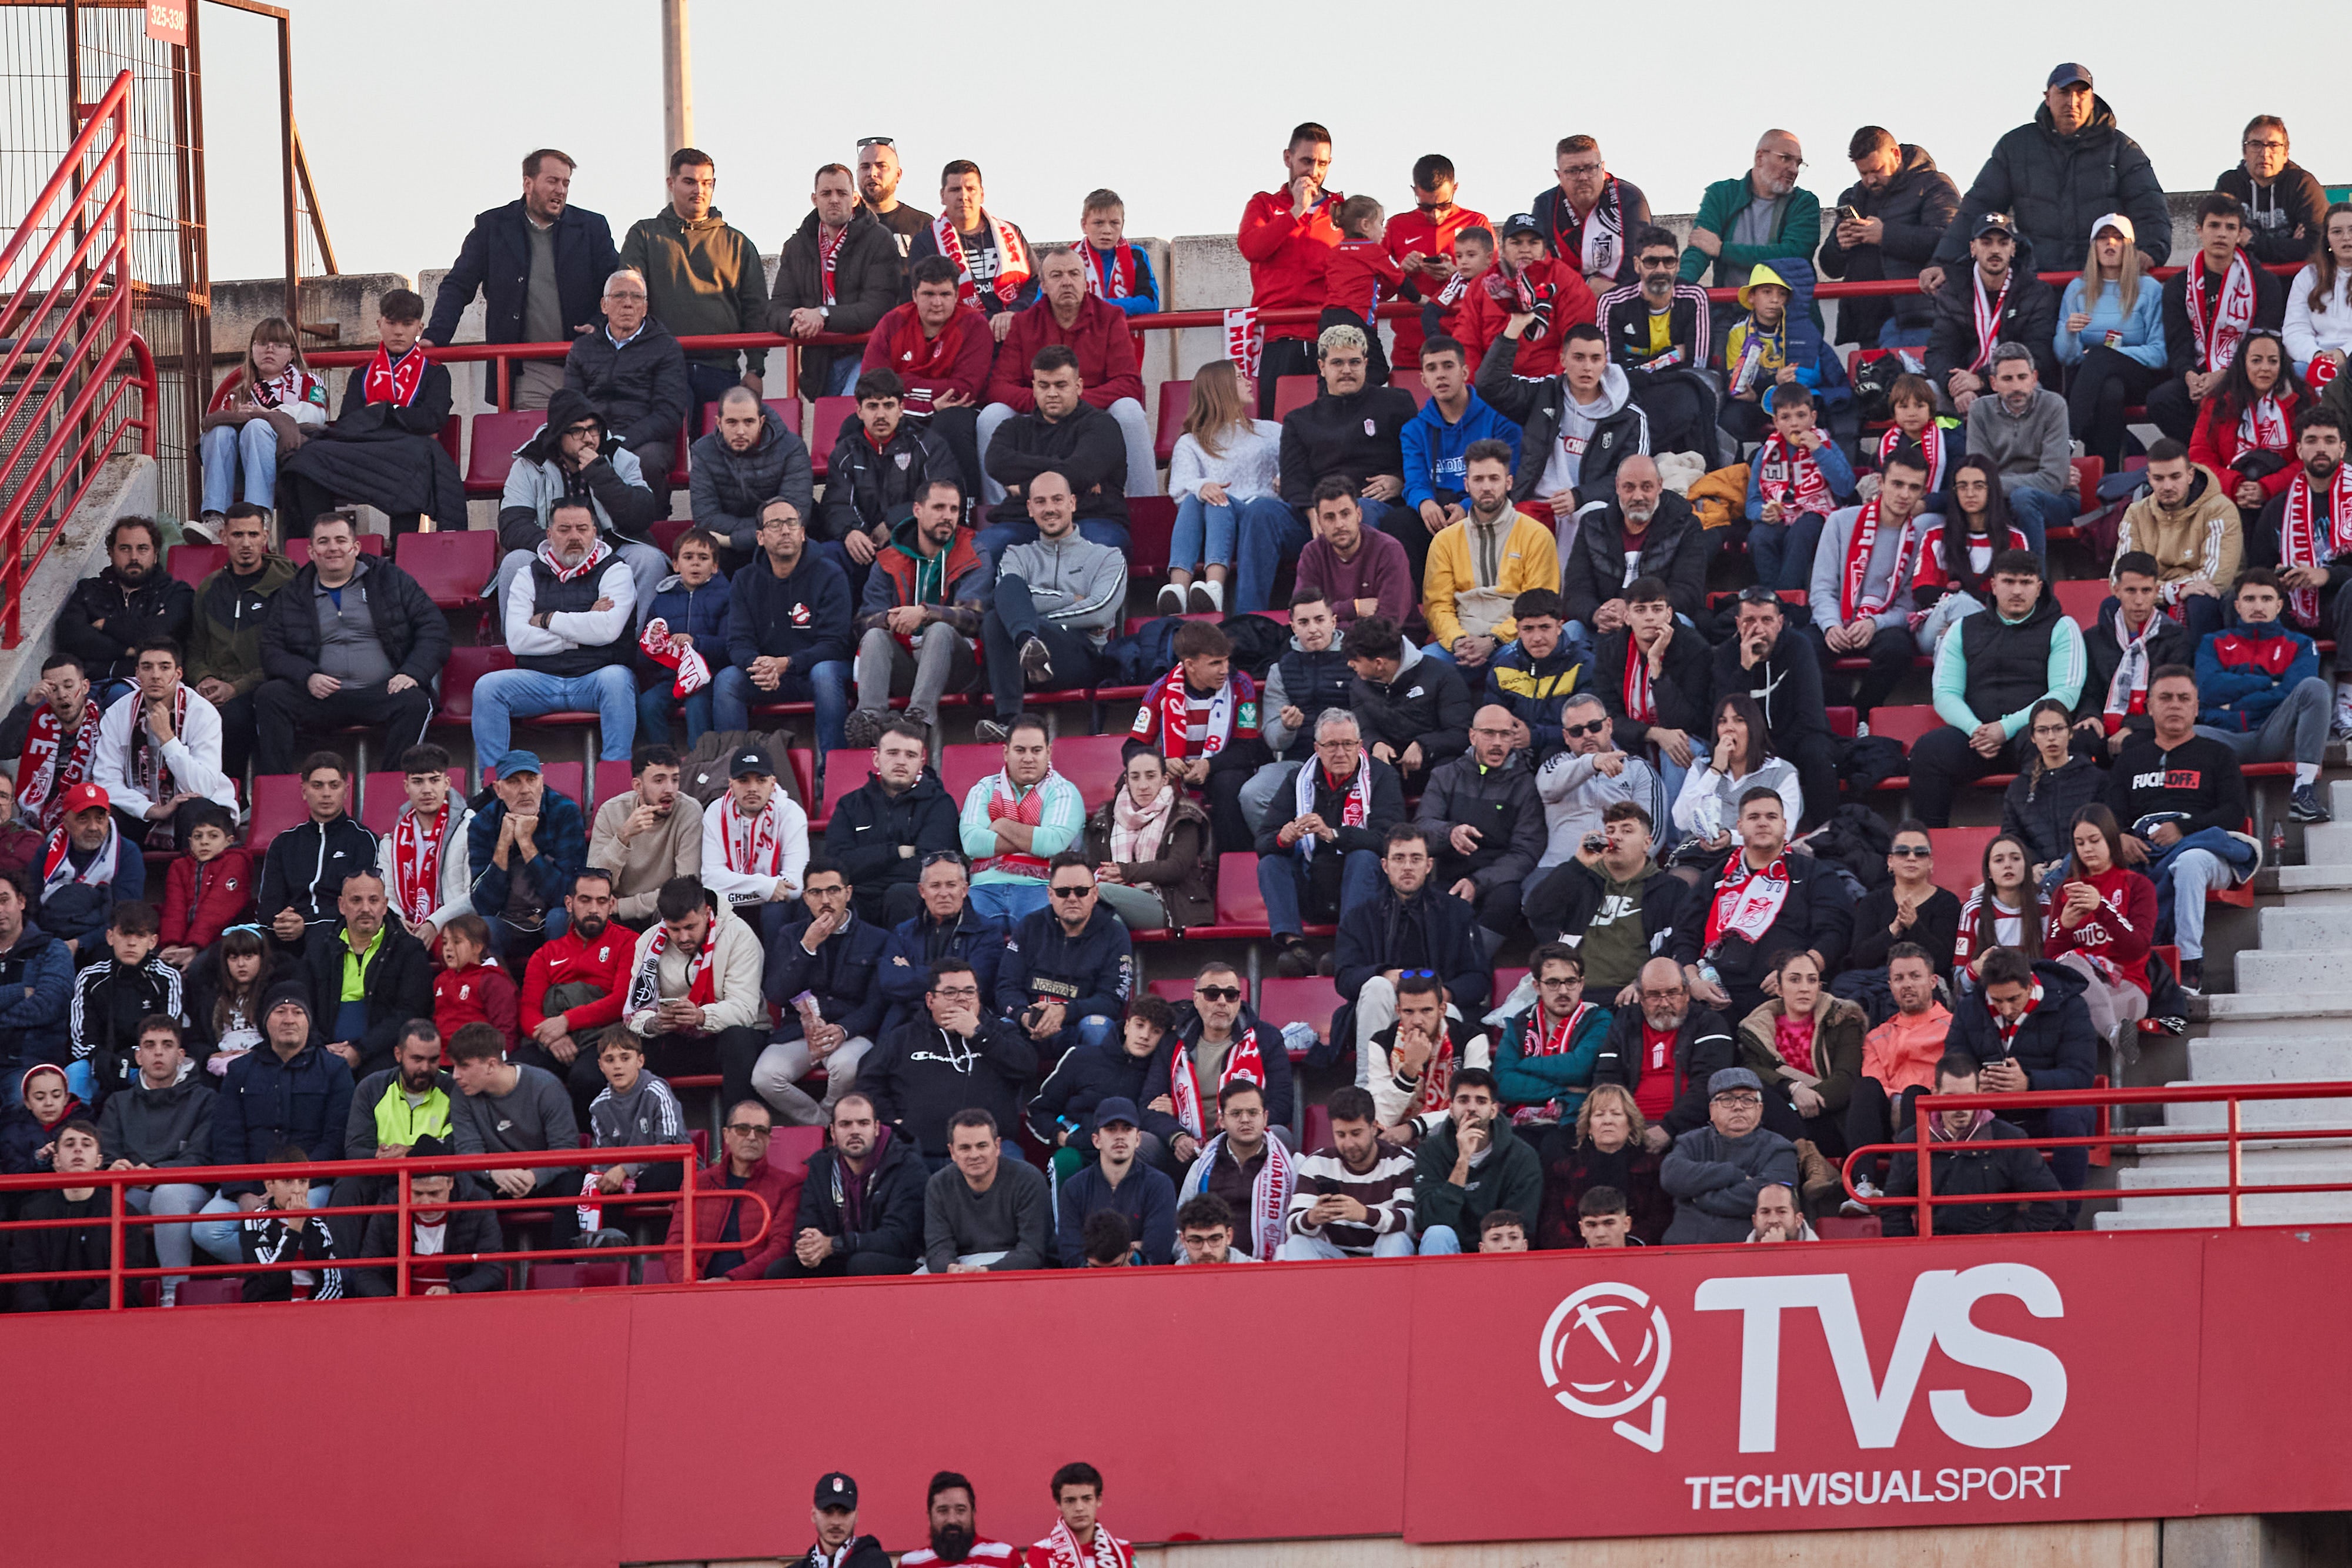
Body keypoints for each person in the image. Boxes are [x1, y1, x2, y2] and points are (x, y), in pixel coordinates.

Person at [1924, 63, 2170, 286]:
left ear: (2092, 100)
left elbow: (2149, 207)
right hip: (2038, 285)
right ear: (2047, 97)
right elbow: (1977, 208)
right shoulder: (2016, 147)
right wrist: (1943, 262)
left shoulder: (2122, 149)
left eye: (2081, 94)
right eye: (2064, 93)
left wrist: (2149, 252)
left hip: (2103, 285)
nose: (2072, 101)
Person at [251, 510, 447, 774]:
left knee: (415, 702)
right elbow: (271, 649)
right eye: (323, 542)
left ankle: (390, 789)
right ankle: (277, 792)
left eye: (341, 540)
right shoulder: (292, 593)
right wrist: (307, 676)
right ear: (311, 551)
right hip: (320, 696)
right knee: (270, 696)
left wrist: (412, 672)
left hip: (381, 691)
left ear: (355, 547)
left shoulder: (390, 579)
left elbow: (434, 628)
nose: (333, 548)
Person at [425, 148, 620, 409]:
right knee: (535, 446)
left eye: (566, 183)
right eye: (552, 181)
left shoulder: (592, 227)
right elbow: (458, 285)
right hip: (525, 368)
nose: (561, 190)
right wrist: (435, 337)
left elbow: (616, 286)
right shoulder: (493, 226)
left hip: (587, 365)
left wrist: (599, 323)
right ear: (528, 183)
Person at [1911, 550, 2087, 827]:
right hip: (1976, 738)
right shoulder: (1962, 628)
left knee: (2050, 743)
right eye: (2009, 582)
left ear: (2039, 587)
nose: (2017, 590)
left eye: (2026, 582)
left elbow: (2064, 695)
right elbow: (1945, 693)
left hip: (2030, 736)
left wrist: (2005, 729)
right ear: (1993, 585)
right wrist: (1976, 730)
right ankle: (1930, 844)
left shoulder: (2063, 627)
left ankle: (2044, 849)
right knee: (1928, 751)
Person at [278, 291, 467, 535]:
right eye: (391, 323)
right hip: (366, 450)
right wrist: (400, 416)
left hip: (406, 452)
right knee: (306, 458)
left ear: (419, 327)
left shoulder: (435, 372)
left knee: (411, 462)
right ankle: (322, 538)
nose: (398, 331)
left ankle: (404, 553)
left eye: (407, 324)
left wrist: (384, 411)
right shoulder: (362, 373)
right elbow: (348, 422)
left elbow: (433, 419)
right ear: (380, 324)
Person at [190, 985, 353, 1264]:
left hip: (310, 1186)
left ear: (308, 1020)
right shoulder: (241, 1070)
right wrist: (242, 1193)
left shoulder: (334, 1069)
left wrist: (294, 1186)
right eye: (280, 1011)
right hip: (253, 1186)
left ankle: (282, 1278)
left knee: (307, 1223)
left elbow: (336, 1137)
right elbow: (227, 1136)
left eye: (297, 1012)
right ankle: (279, 1274)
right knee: (207, 1230)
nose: (289, 1019)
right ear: (266, 1020)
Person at [975, 247, 1152, 503]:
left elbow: (1128, 383)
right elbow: (1000, 386)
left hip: (1093, 415)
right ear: (1043, 286)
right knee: (990, 416)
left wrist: (1074, 402)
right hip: (1038, 414)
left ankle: (1144, 505)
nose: (1067, 282)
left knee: (1130, 411)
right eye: (1057, 275)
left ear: (1085, 281)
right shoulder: (1024, 323)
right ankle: (998, 509)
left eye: (1074, 274)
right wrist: (1047, 401)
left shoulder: (1110, 318)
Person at [1675, 788, 1854, 1026]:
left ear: (1784, 824)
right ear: (1739, 826)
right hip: (1715, 995)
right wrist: (1694, 982)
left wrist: (1797, 974)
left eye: (1771, 817)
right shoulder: (1715, 877)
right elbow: (1685, 934)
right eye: (1753, 817)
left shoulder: (1814, 873)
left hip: (1783, 996)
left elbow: (1835, 933)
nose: (1762, 824)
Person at [1945, 945, 2100, 1216]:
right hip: (1994, 1113)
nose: (2006, 1008)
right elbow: (1953, 1062)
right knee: (1951, 1117)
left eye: (2013, 999)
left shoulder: (2071, 1005)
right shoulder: (1970, 1008)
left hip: (2049, 1112)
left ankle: (2064, 1220)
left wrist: (2029, 1082)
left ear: (2030, 985)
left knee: (2071, 1116)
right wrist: (1973, 1082)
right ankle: (1977, 1222)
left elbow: (2081, 1074)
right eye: (1997, 1001)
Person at [974, 473, 1127, 736]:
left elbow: (1099, 610)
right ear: (1030, 509)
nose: (1050, 509)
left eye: (1057, 500)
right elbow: (1007, 598)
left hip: (1077, 655)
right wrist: (1071, 600)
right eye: (1041, 502)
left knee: (1002, 615)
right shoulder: (1016, 555)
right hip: (1020, 664)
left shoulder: (1107, 557)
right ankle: (1011, 718)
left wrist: (1028, 619)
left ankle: (1010, 716)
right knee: (1007, 593)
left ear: (1073, 503)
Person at [494, 389, 670, 616]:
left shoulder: (618, 457)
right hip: (551, 552)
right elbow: (512, 525)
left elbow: (642, 516)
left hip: (608, 550)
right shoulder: (529, 464)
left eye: (593, 429)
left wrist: (602, 475)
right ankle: (520, 644)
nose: (588, 439)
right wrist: (558, 545)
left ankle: (640, 646)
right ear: (558, 435)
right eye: (577, 431)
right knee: (515, 562)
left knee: (649, 560)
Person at [1258, 708, 1402, 977]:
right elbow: (1264, 840)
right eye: (1332, 745)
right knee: (1271, 861)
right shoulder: (1298, 781)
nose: (1340, 753)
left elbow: (1390, 841)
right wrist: (1283, 837)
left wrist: (1333, 834)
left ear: (1360, 745)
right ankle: (1296, 948)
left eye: (1348, 744)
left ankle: (1350, 948)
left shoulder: (1382, 777)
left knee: (1364, 856)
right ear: (1317, 748)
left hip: (1364, 890)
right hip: (1313, 887)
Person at [617, 147, 767, 406]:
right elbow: (628, 297)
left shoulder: (739, 244)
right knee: (665, 445)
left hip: (723, 371)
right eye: (689, 182)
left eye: (706, 183)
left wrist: (756, 370)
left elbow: (756, 310)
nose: (699, 190)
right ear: (671, 183)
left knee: (721, 446)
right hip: (660, 370)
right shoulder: (644, 235)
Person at [1333, 824, 1489, 1064]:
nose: (1407, 867)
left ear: (1429, 866)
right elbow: (1344, 979)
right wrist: (1385, 975)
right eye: (1399, 859)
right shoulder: (1359, 916)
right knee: (1376, 987)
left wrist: (1441, 994)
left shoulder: (1457, 912)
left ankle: (1443, 1095)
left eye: (1416, 859)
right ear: (1385, 866)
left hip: (1440, 1009)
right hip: (1383, 1010)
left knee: (1446, 1012)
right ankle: (1369, 1090)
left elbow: (1478, 979)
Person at [846, 480, 986, 744]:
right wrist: (888, 619)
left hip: (959, 667)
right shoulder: (888, 558)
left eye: (954, 509)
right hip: (906, 665)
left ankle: (918, 720)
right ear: (918, 510)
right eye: (939, 507)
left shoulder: (973, 552)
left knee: (940, 630)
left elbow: (977, 618)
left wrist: (925, 614)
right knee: (875, 638)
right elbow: (861, 624)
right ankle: (869, 722)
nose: (948, 516)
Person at [1277, 325, 1419, 585]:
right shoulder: (1299, 420)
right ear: (1322, 367)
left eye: (1354, 362)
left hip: (1375, 505)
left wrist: (1400, 480)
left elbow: (1419, 456)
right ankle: (1248, 614)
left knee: (1360, 511)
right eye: (1337, 363)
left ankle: (1366, 611)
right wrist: (1313, 513)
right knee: (1261, 514)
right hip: (1319, 512)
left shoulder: (1396, 403)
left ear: (1366, 363)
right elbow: (1293, 478)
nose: (1346, 370)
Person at [863, 959, 1038, 1168]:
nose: (961, 1000)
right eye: (950, 993)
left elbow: (1027, 1067)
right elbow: (868, 1083)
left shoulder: (1000, 1032)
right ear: (930, 1000)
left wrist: (979, 1034)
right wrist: (894, 1121)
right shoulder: (901, 1038)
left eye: (969, 992)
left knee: (1024, 1174)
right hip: (920, 1150)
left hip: (989, 1151)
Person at [753, 861, 888, 1126]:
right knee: (764, 1077)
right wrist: (807, 946)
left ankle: (831, 1117)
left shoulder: (877, 938)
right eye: (816, 893)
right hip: (801, 1032)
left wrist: (844, 1029)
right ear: (805, 897)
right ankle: (824, 1125)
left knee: (846, 1067)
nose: (825, 900)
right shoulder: (791, 935)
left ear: (848, 893)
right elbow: (776, 994)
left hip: (852, 1032)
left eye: (833, 891)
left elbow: (878, 1003)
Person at [1481, 321, 1649, 534]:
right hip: (1539, 504)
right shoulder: (1543, 394)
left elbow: (1632, 478)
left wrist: (1580, 496)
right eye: (1579, 358)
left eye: (1595, 359)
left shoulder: (1630, 418)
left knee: (1593, 516)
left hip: (1592, 506)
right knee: (1513, 527)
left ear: (1605, 362)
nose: (1587, 367)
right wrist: (1514, 327)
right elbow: (1490, 386)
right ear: (1563, 359)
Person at [714, 497, 852, 757]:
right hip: (769, 677)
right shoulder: (745, 579)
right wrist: (760, 665)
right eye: (775, 525)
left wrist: (788, 663)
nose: (786, 530)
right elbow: (737, 642)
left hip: (817, 671)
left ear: (803, 533)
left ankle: (832, 769)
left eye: (791, 523)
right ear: (760, 537)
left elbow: (836, 643)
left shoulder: (830, 574)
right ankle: (733, 770)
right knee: (728, 680)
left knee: (825, 674)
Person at [2150, 195, 2289, 444]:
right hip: (2200, 373)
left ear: (2240, 235)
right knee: (2161, 401)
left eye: (2230, 227)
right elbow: (2178, 343)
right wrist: (2189, 376)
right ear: (2199, 231)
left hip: (2247, 374)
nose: (2222, 234)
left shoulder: (2265, 283)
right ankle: (2200, 458)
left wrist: (2225, 375)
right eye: (2214, 226)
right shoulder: (2178, 286)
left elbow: (2264, 340)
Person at [1881, 1052, 2067, 1236]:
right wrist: (1913, 1253)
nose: (1960, 1107)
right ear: (1934, 1092)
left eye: (1968, 1096)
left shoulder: (2009, 1138)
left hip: (1997, 1257)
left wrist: (2009, 1240)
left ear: (1979, 1093)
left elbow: (2052, 1203)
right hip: (1935, 1254)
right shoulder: (1912, 1139)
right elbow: (1893, 1208)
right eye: (1950, 1097)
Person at [625, 877, 769, 1113]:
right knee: (634, 1048)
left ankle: (738, 1130)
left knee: (738, 1039)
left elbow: (745, 1010)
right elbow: (636, 1009)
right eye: (674, 929)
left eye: (690, 927)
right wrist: (653, 1023)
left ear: (707, 912)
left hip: (732, 1037)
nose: (683, 938)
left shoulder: (740, 936)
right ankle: (649, 1137)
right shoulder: (647, 943)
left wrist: (701, 1016)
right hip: (678, 1038)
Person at [2197, 569, 2333, 820]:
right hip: (2225, 736)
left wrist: (2234, 703)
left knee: (2316, 688)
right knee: (2179, 733)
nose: (2258, 606)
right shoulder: (2212, 642)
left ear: (2279, 605)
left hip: (2275, 734)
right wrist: (2266, 684)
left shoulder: (2301, 645)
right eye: (2250, 599)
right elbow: (2207, 690)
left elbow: (2292, 692)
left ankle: (2303, 791)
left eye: (2266, 599)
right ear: (2237, 606)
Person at [1125, 619, 1267, 855]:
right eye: (1215, 663)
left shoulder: (1240, 684)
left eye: (1226, 660)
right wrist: (1161, 765)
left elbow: (1248, 749)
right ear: (1190, 665)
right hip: (1177, 772)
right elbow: (1132, 749)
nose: (1225, 669)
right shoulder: (1160, 690)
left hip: (1222, 769)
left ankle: (1232, 865)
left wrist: (1209, 765)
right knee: (1137, 780)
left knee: (1228, 783)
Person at [93, 1017, 211, 1301]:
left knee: (167, 1197)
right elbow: (106, 1151)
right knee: (102, 1205)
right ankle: (106, 1297)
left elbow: (202, 1156)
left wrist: (157, 1172)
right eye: (150, 1045)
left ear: (181, 1055)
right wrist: (114, 1166)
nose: (158, 1052)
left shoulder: (206, 1099)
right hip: (132, 1187)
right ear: (138, 1055)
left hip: (185, 1187)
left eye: (167, 1045)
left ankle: (173, 1296)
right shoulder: (117, 1103)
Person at [1415, 705, 1544, 959]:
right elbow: (1421, 827)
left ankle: (1471, 965)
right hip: (1450, 869)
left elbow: (1526, 851)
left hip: (1497, 877)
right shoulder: (1445, 776)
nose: (1497, 743)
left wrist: (1478, 883)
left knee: (1507, 897)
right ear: (1472, 736)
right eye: (1489, 733)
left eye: (1505, 735)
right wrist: (1450, 832)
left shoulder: (1527, 785)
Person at [1807, 438, 1925, 715]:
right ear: (1881, 483)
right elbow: (1822, 588)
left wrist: (1876, 623)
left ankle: (1862, 712)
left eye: (1914, 488)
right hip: (1836, 617)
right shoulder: (1841, 521)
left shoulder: (1921, 537)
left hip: (1879, 625)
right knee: (1801, 649)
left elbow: (1910, 605)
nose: (1904, 494)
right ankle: (1838, 711)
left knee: (1898, 650)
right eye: (1897, 484)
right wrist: (1831, 626)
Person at [858, 256, 994, 499]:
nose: (937, 303)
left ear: (956, 296)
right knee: (853, 425)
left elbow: (964, 390)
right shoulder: (892, 323)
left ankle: (966, 506)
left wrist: (903, 383)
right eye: (928, 294)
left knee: (951, 422)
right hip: (903, 410)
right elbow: (871, 385)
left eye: (944, 294)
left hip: (955, 412)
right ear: (914, 295)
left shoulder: (974, 324)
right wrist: (928, 405)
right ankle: (867, 510)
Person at [1733, 948, 1863, 1200]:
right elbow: (1751, 1071)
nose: (1805, 988)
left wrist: (1805, 1098)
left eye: (1812, 980)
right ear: (1779, 988)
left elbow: (1845, 1082)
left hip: (1830, 1119)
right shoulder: (1757, 1028)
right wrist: (1794, 1089)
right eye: (1795, 979)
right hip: (1780, 1123)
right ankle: (1810, 1161)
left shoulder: (1843, 1019)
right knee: (1757, 1093)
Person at [88, 639, 236, 854]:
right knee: (103, 815)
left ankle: (193, 884)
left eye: (165, 667)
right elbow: (106, 781)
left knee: (197, 810)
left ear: (178, 674)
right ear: (137, 674)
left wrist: (168, 739)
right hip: (141, 810)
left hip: (193, 809)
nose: (156, 675)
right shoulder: (118, 713)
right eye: (147, 667)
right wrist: (151, 810)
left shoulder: (203, 713)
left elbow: (203, 786)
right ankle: (109, 884)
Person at [2250, 410, 2352, 720]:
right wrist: (2278, 579)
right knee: (2239, 600)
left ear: (2342, 449)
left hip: (2342, 607)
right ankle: (2255, 699)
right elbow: (2257, 572)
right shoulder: (2278, 507)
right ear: (2299, 450)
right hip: (2294, 608)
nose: (2321, 448)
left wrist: (2327, 575)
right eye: (2312, 440)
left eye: (2329, 441)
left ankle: (2347, 698)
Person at [1710, 589, 1839, 832]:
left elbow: (1812, 719)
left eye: (1767, 620)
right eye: (1749, 621)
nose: (1758, 629)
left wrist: (1771, 758)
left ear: (1780, 623)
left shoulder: (1799, 647)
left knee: (1817, 751)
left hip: (1794, 739)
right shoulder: (1726, 655)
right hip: (1748, 747)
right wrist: (1745, 670)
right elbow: (1723, 720)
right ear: (1738, 624)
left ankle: (1826, 833)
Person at [1818, 127, 1959, 349]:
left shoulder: (1934, 185)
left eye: (1877, 170)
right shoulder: (1852, 197)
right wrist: (1839, 244)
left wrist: (1885, 235)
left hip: (1919, 320)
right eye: (1863, 173)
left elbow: (1950, 241)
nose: (1870, 180)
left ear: (1896, 155)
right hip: (1867, 326)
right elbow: (1830, 268)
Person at [1422, 442, 1558, 674]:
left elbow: (1540, 603)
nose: (1486, 487)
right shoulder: (1445, 541)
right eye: (1478, 480)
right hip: (1462, 643)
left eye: (1494, 479)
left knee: (1518, 660)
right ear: (1466, 484)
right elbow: (1437, 606)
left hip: (1514, 641)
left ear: (1509, 482)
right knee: (1423, 666)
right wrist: (1457, 641)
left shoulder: (1536, 535)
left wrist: (1494, 640)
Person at [560, 269, 691, 510]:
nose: (628, 304)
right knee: (550, 456)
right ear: (604, 305)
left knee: (647, 461)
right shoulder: (583, 348)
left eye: (636, 297)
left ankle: (649, 531)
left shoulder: (666, 348)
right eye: (619, 296)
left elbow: (669, 414)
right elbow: (572, 406)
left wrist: (619, 444)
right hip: (592, 435)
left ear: (645, 307)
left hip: (645, 439)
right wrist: (593, 440)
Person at [1164, 359, 1287, 613]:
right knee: (1203, 498)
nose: (1248, 381)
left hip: (1259, 520)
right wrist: (1203, 486)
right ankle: (1178, 591)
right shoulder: (1191, 442)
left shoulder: (1271, 431)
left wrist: (1284, 476)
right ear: (1221, 388)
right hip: (1214, 523)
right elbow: (1179, 489)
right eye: (1239, 377)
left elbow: (1294, 461)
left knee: (1217, 499)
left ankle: (1214, 588)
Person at [1238, 122, 1344, 415]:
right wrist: (1296, 211)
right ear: (1288, 158)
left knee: (1334, 427)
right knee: (1276, 430)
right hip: (1277, 336)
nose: (1315, 171)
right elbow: (1252, 249)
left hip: (1329, 334)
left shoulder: (1343, 209)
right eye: (1307, 161)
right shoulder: (1264, 204)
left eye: (1323, 163)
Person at [771, 163, 902, 399]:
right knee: (831, 433)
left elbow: (877, 308)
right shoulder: (796, 246)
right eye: (826, 193)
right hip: (819, 364)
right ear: (814, 199)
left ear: (854, 199)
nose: (834, 200)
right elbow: (776, 308)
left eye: (841, 194)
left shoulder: (879, 240)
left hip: (866, 355)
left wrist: (822, 315)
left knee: (849, 416)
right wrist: (797, 321)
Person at [446, 1021, 583, 1243]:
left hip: (544, 1178)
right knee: (464, 1187)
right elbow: (467, 1151)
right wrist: (494, 1172)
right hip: (496, 1180)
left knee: (572, 1183)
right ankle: (483, 1270)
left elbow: (566, 1151)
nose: (455, 1076)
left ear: (491, 1065)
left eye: (463, 1067)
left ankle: (564, 1271)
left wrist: (534, 1176)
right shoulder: (462, 1096)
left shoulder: (547, 1087)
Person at [185, 503, 295, 780]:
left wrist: (236, 688)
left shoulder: (287, 586)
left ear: (265, 537)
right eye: (237, 535)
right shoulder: (209, 588)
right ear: (223, 537)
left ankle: (236, 799)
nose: (246, 544)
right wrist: (204, 678)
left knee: (234, 717)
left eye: (253, 535)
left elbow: (289, 653)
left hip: (264, 685)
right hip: (215, 688)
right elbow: (195, 649)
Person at [520, 870, 640, 1115]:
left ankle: (588, 1145)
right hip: (555, 1040)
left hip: (604, 1037)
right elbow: (528, 1011)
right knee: (519, 1071)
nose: (594, 908)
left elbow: (621, 1001)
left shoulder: (629, 942)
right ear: (569, 903)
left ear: (612, 904)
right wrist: (550, 1037)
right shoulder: (546, 954)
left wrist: (566, 1022)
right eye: (585, 900)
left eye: (602, 901)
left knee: (587, 1078)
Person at [196, 317, 328, 537]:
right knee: (219, 431)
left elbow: (316, 416)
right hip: (241, 467)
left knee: (257, 426)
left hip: (291, 462)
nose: (269, 350)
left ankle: (258, 517)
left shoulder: (309, 382)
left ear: (292, 352)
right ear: (252, 350)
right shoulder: (237, 391)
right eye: (262, 343)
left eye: (279, 345)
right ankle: (215, 518)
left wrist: (269, 414)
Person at [2057, 215, 2169, 470]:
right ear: (2093, 246)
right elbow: (2065, 356)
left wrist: (2112, 356)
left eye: (2118, 238)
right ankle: (2109, 477)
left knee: (2100, 357)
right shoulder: (2077, 289)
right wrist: (2069, 333)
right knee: (2110, 390)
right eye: (2103, 238)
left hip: (2139, 378)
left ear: (2130, 246)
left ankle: (2066, 439)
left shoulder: (2149, 289)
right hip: (2092, 381)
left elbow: (2160, 353)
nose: (2110, 244)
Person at [771, 1092, 924, 1278]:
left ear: (876, 1128)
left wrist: (834, 1244)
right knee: (780, 1271)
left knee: (862, 1264)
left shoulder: (906, 1165)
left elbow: (899, 1239)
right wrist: (809, 1248)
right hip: (841, 1255)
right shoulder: (821, 1166)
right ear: (833, 1132)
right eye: (845, 1124)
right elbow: (806, 1224)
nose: (855, 1131)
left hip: (897, 1261)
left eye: (863, 1123)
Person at [299, 868, 432, 1081]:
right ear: (342, 905)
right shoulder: (318, 947)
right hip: (324, 1051)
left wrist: (360, 1050)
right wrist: (320, 1045)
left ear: (385, 905)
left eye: (373, 900)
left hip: (382, 1054)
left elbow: (410, 1013)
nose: (366, 908)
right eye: (356, 900)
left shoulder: (409, 950)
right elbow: (301, 1003)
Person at [2043, 804, 2159, 1048]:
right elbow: (2050, 959)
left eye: (2094, 840)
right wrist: (2064, 926)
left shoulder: (2138, 885)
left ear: (2110, 839)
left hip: (2127, 986)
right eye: (2080, 843)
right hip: (2077, 989)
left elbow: (2138, 948)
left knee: (2068, 1016)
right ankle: (2114, 1034)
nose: (2087, 849)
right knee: (2069, 960)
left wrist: (2103, 908)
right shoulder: (2064, 892)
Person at [1596, 229, 1718, 458]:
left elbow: (1698, 367)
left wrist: (1640, 367)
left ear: (1678, 265)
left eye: (1669, 261)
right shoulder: (1612, 303)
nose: (1661, 270)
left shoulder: (1694, 298)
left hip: (1679, 391)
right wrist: (1673, 356)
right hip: (1633, 393)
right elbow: (1612, 375)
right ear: (1637, 264)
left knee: (1691, 394)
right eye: (1651, 262)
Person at [996, 852, 1131, 1057]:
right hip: (1031, 1027)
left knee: (1097, 1026)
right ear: (1050, 895)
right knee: (1003, 1027)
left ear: (1095, 894)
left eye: (1081, 891)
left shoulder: (1115, 934)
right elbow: (1007, 985)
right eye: (1063, 892)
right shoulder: (1029, 926)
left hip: (1077, 1027)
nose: (1072, 899)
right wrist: (1024, 1016)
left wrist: (1064, 1012)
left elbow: (1111, 1002)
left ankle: (1093, 1089)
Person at [1843, 943, 1953, 1194]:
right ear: (1890, 985)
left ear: (1933, 981)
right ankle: (1863, 1185)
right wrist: (1896, 1100)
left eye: (1915, 976)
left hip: (1931, 1118)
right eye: (1899, 978)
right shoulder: (1877, 1035)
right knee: (1865, 1088)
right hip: (1885, 1118)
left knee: (1916, 1094)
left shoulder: (1953, 1029)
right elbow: (1873, 1079)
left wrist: (1904, 1101)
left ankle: (1906, 1186)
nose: (1907, 985)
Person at [1529, 693, 1665, 897]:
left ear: (1609, 725)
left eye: (1594, 727)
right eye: (1577, 731)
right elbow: (1547, 787)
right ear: (1566, 737)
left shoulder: (1638, 769)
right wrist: (1592, 763)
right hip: (1560, 866)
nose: (1587, 735)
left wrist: (1620, 866)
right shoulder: (1556, 764)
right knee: (1537, 902)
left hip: (1620, 868)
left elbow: (1652, 831)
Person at [1925, 213, 2061, 416]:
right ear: (1973, 248)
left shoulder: (2036, 292)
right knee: (1925, 394)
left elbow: (2038, 353)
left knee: (2035, 390)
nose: (1995, 250)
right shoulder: (1953, 290)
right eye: (1986, 243)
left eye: (2003, 243)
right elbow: (1939, 351)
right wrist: (1955, 387)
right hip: (1965, 387)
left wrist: (1982, 380)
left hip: (2013, 384)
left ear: (2013, 249)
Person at [826, 722, 959, 927]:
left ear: (922, 761)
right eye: (893, 753)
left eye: (910, 755)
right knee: (830, 897)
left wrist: (867, 869)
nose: (901, 762)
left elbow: (930, 867)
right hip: (859, 896)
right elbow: (837, 864)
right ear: (876, 758)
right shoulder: (850, 804)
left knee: (901, 894)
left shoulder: (940, 804)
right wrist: (897, 852)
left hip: (906, 898)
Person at [958, 717, 1084, 927]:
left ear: (1049, 752)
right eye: (1020, 750)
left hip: (1043, 888)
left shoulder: (1064, 792)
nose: (1028, 758)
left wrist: (1002, 824)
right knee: (967, 936)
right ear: (1006, 752)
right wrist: (1034, 838)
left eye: (1036, 750)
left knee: (1042, 937)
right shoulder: (983, 788)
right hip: (984, 889)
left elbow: (1053, 844)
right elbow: (972, 843)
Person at [467, 751, 590, 965]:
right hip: (507, 920)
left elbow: (567, 895)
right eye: (513, 782)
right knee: (484, 928)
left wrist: (525, 843)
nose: (525, 790)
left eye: (531, 780)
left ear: (542, 783)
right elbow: (484, 906)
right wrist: (504, 844)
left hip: (551, 916)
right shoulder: (482, 823)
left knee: (559, 919)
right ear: (498, 789)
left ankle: (559, 994)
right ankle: (504, 993)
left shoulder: (565, 813)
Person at [8, 1119, 143, 1312]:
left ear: (98, 1160)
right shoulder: (33, 1213)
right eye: (69, 1144)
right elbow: (26, 1275)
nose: (78, 1150)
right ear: (56, 1161)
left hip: (106, 1320)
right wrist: (41, 1318)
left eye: (86, 1144)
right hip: (44, 1322)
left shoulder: (125, 1212)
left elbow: (129, 1279)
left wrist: (88, 1312)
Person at [1025, 995, 1171, 1172]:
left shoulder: (1162, 1075)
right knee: (1066, 1161)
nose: (1145, 1036)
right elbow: (1039, 1110)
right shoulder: (1080, 1058)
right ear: (1126, 1026)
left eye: (1155, 1031)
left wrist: (1174, 1110)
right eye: (1139, 1025)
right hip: (1078, 1148)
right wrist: (1062, 1137)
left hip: (1129, 1156)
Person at [1448, 210, 1596, 385]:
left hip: (1549, 386)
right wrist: (1475, 392)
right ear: (1502, 248)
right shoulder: (1482, 285)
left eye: (1533, 243)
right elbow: (1466, 342)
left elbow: (1578, 341)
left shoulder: (1566, 280)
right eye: (1516, 243)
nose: (1525, 249)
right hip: (1494, 387)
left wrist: (1555, 390)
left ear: (1544, 247)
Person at [1399, 336, 1521, 548]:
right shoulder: (1414, 430)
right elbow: (1415, 481)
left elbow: (1512, 474)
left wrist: (1467, 507)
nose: (1441, 375)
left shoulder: (1499, 418)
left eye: (1448, 366)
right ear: (1424, 379)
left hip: (1487, 503)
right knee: (1399, 523)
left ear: (1464, 372)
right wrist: (1424, 503)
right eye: (1432, 368)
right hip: (1438, 508)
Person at [1568, 457, 1709, 637]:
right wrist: (1596, 615)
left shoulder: (1686, 525)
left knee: (1682, 623)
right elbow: (1576, 590)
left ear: (1660, 486)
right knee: (1571, 631)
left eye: (1646, 487)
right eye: (1629, 487)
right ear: (1617, 487)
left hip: (1658, 622)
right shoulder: (1592, 524)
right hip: (1607, 624)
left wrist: (1634, 611)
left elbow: (1688, 591)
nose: (1638, 496)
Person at [662, 1099, 799, 1283]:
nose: (752, 1137)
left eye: (761, 1131)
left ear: (769, 1139)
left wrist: (729, 1281)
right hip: (698, 1290)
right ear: (726, 1135)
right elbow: (676, 1246)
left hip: (754, 1290)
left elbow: (780, 1249)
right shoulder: (698, 1183)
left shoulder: (788, 1186)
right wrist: (692, 1284)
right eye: (743, 1129)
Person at [2077, 553, 2198, 760]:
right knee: (2080, 738)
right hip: (2104, 722)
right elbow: (2089, 691)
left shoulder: (2175, 637)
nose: (2139, 601)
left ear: (2157, 592)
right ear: (2117, 591)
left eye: (2146, 591)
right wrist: (2090, 716)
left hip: (2150, 725)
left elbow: (2172, 695)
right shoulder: (2094, 638)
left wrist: (2132, 727)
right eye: (2131, 591)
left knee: (2136, 743)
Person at [1660, 1065, 1800, 1244]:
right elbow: (1671, 1176)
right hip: (1684, 1248)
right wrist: (1732, 1174)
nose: (1738, 1107)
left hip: (1745, 1253)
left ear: (1760, 1108)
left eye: (1748, 1100)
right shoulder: (1691, 1141)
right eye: (1727, 1100)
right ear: (1712, 1110)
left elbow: (1763, 1200)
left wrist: (1700, 1196)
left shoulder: (1780, 1149)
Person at [1411, 1067, 1541, 1255]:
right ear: (1451, 1108)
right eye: (1464, 1100)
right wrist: (1463, 1160)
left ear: (1494, 1110)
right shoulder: (1430, 1151)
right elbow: (1428, 1219)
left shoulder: (1522, 1156)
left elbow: (1522, 1225)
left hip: (1498, 1253)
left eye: (1481, 1101)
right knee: (1437, 1234)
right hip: (1450, 1252)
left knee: (1511, 1238)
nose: (1471, 1108)